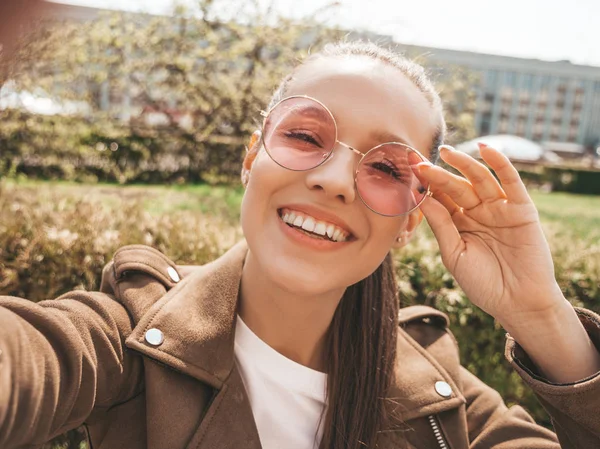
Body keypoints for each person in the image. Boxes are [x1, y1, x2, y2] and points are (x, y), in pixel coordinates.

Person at [1, 40, 600, 449]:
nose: (334, 180)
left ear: (412, 219)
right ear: (250, 159)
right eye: (305, 136)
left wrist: (540, 314)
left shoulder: (438, 392)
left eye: (387, 170)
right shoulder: (128, 334)